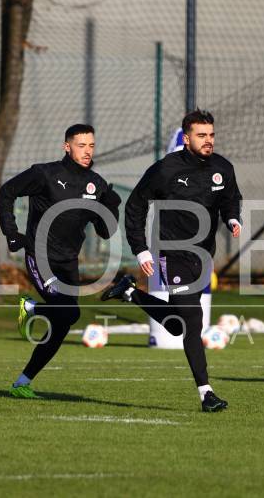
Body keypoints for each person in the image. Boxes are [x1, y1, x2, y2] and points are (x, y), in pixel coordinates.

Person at [101, 109, 242, 412]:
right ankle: (206, 394)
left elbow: (231, 198)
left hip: (203, 254)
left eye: (211, 135)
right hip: (171, 253)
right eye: (201, 135)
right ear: (186, 138)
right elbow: (135, 206)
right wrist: (141, 249)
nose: (208, 140)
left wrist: (233, 218)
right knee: (192, 319)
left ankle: (129, 293)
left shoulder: (222, 168)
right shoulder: (166, 169)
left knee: (179, 326)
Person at [0, 124, 121, 399]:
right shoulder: (45, 174)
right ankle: (31, 307)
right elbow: (6, 192)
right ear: (67, 146)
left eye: (91, 146)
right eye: (81, 145)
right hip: (40, 257)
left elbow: (105, 231)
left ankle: (22, 382)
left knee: (62, 325)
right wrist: (11, 233)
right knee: (70, 313)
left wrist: (111, 206)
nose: (87, 151)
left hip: (68, 263)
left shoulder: (96, 184)